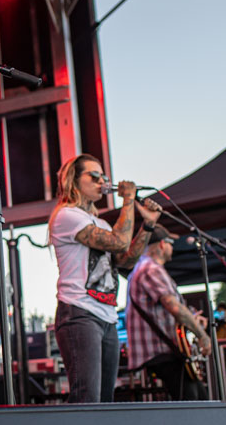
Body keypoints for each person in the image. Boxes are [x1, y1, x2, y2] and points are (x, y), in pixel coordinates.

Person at [48, 154, 162, 403]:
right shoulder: (67, 215)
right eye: (94, 176)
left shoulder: (99, 222)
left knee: (105, 399)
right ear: (74, 180)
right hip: (79, 312)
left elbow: (125, 261)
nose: (102, 181)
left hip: (107, 316)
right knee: (87, 396)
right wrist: (129, 200)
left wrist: (148, 226)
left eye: (104, 177)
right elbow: (119, 241)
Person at [125, 224, 212, 400]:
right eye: (170, 243)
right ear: (162, 245)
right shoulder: (151, 269)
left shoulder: (146, 268)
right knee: (194, 406)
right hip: (161, 351)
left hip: (167, 350)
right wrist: (202, 335)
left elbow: (165, 310)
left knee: (199, 401)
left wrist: (192, 320)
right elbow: (174, 307)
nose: (172, 247)